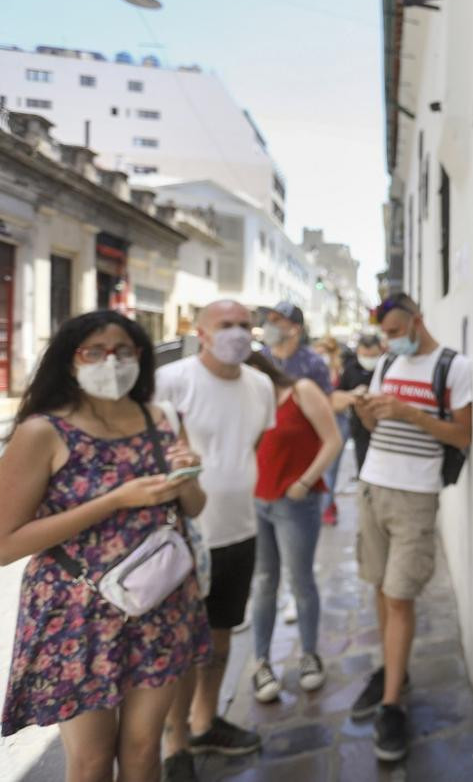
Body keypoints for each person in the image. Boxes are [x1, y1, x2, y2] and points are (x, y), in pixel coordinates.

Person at [0, 310, 210, 781]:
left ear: (140, 357)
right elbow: (4, 545)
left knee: (142, 751)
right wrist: (115, 501)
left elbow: (194, 506)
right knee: (91, 760)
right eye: (94, 351)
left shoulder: (162, 417)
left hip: (158, 602)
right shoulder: (43, 432)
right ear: (70, 360)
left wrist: (187, 478)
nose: (110, 362)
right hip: (75, 614)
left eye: (122, 351)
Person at [156, 300, 277, 780]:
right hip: (186, 537)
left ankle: (206, 722)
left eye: (245, 325)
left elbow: (253, 444)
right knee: (183, 645)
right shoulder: (174, 381)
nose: (238, 333)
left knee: (221, 637)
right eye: (225, 325)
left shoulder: (261, 384)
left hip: (240, 529)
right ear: (201, 333)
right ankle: (176, 741)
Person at [351, 294, 472, 762]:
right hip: (372, 486)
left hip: (415, 496)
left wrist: (411, 414)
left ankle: (391, 705)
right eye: (385, 334)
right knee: (381, 589)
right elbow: (373, 426)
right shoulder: (386, 364)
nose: (390, 341)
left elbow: (463, 435)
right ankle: (391, 671)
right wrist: (367, 408)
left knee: (400, 595)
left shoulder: (454, 367)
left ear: (418, 322)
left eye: (397, 330)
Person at [244, 353, 342, 703]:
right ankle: (261, 664)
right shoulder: (249, 403)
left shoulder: (301, 391)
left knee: (300, 582)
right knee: (264, 582)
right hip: (257, 503)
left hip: (295, 504)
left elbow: (333, 440)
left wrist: (305, 482)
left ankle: (310, 655)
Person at [332, 333, 385, 475]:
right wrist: (354, 395)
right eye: (364, 355)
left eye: (372, 356)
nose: (368, 360)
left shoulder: (387, 368)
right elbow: (338, 395)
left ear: (380, 351)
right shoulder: (350, 369)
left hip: (383, 426)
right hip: (359, 426)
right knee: (363, 466)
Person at [312, 335, 347, 526]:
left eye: (323, 352)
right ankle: (328, 502)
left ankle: (325, 508)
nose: (319, 356)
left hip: (337, 420)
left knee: (330, 469)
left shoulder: (338, 371)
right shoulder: (310, 371)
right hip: (315, 421)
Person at [259, 301, 331, 394]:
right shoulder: (260, 358)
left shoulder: (313, 363)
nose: (268, 325)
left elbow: (325, 402)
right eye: (268, 320)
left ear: (295, 329)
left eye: (276, 320)